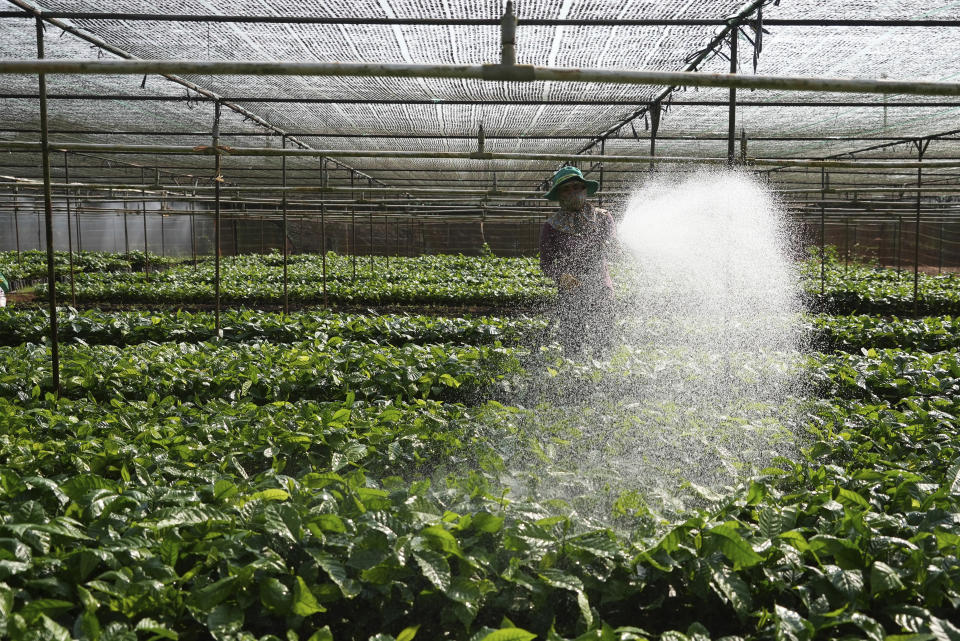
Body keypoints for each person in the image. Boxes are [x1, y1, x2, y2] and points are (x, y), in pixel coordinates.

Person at [539, 166, 617, 354]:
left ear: (585, 190)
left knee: (603, 341)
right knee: (573, 341)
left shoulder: (603, 217)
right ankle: (573, 372)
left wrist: (611, 244)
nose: (573, 192)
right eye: (566, 189)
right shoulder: (551, 227)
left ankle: (600, 375)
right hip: (571, 291)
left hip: (601, 289)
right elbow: (546, 263)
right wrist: (561, 276)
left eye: (577, 187)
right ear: (559, 195)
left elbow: (615, 246)